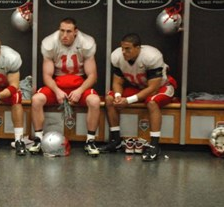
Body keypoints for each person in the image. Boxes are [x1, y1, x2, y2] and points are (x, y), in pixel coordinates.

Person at [29, 17, 101, 156]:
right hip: (58, 84)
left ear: (76, 32)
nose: (64, 35)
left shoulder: (86, 43)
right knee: (36, 99)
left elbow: (92, 75)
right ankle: (38, 139)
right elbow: (47, 76)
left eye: (68, 31)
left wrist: (80, 91)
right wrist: (56, 91)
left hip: (79, 84)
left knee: (94, 101)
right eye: (62, 31)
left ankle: (90, 141)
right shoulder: (50, 43)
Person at [99, 33, 176, 161]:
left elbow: (153, 88)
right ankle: (116, 140)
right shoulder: (117, 56)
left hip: (162, 87)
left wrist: (128, 101)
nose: (123, 52)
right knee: (110, 99)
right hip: (139, 88)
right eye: (122, 48)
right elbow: (117, 82)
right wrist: (118, 96)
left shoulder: (152, 56)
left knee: (152, 102)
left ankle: (155, 145)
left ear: (138, 48)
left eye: (127, 48)